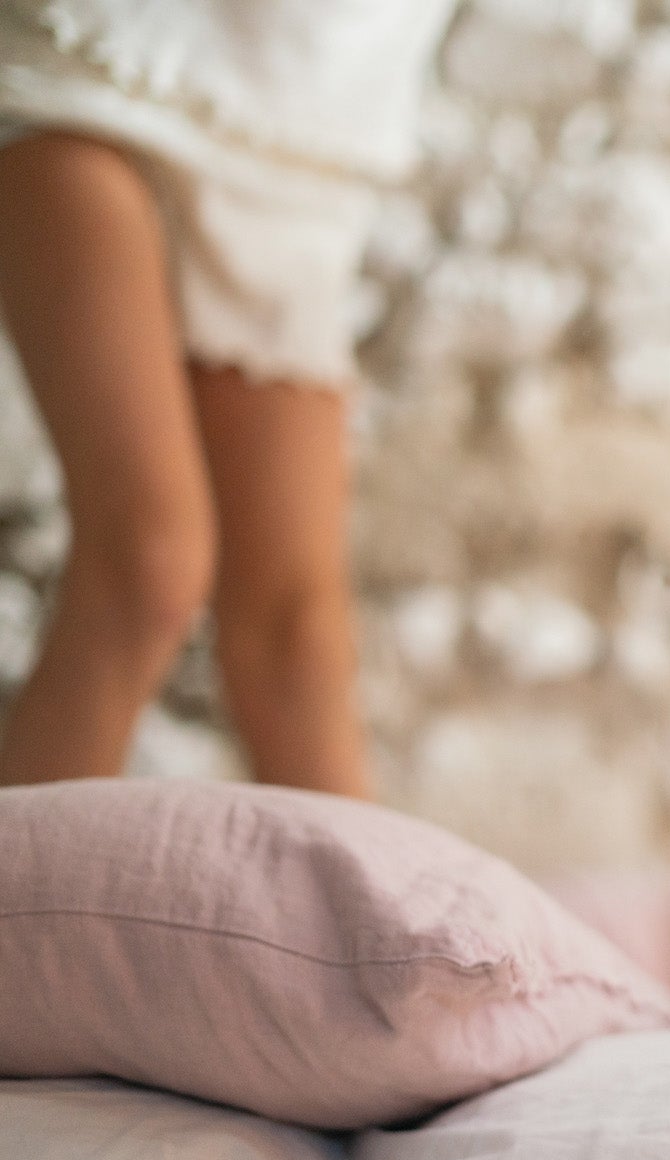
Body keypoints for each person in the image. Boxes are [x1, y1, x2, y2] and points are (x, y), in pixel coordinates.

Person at [0, 1, 457, 793]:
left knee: (299, 646)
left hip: (312, 128)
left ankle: (397, 924)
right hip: (97, 66)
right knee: (149, 567)